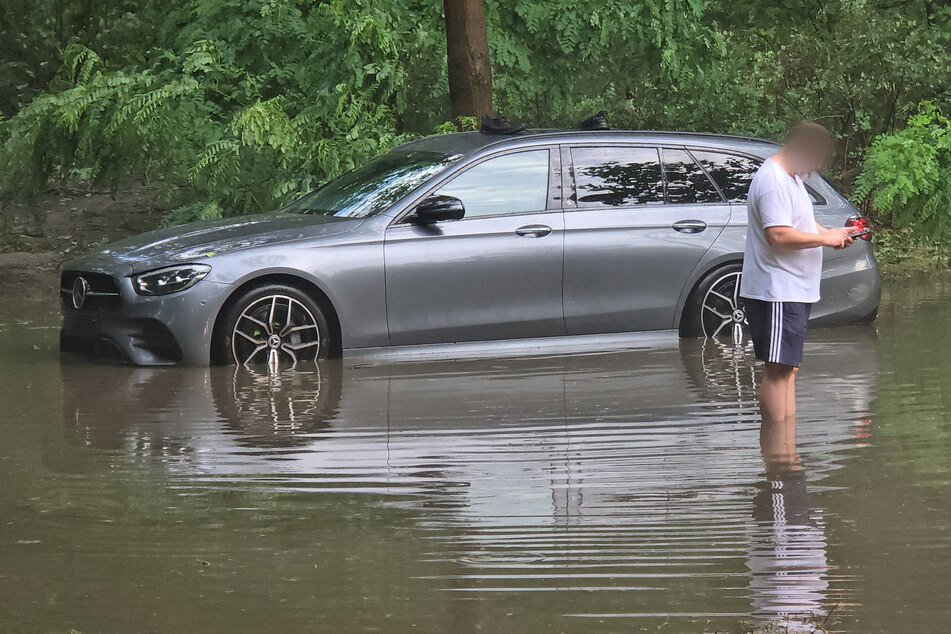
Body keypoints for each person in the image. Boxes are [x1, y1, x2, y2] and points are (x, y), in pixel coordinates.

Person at [740, 121, 857, 428]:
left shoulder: (790, 178)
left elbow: (799, 223)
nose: (817, 165)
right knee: (778, 371)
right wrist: (823, 239)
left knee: (788, 369)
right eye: (816, 157)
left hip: (792, 290)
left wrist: (833, 233)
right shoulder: (773, 180)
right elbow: (778, 236)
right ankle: (778, 456)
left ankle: (787, 452)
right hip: (777, 289)